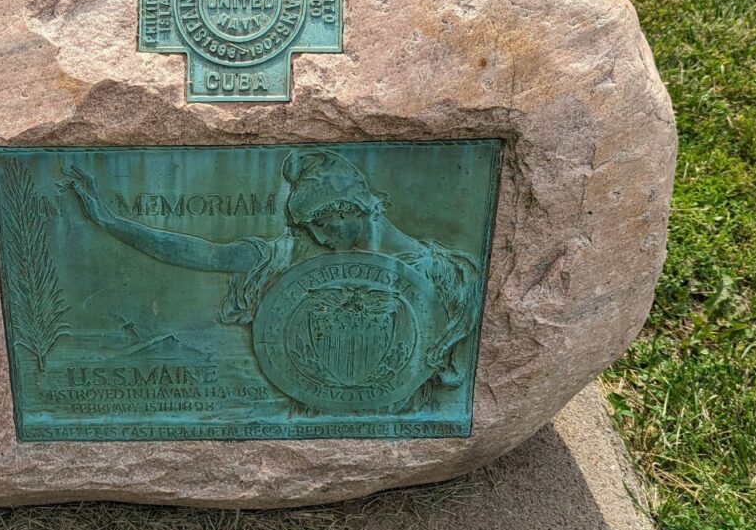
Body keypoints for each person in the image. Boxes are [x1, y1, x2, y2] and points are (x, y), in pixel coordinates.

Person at [61, 148, 480, 388]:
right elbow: (207, 254)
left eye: (320, 224)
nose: (317, 238)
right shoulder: (291, 254)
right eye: (307, 228)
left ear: (348, 210)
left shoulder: (446, 274)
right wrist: (109, 221)